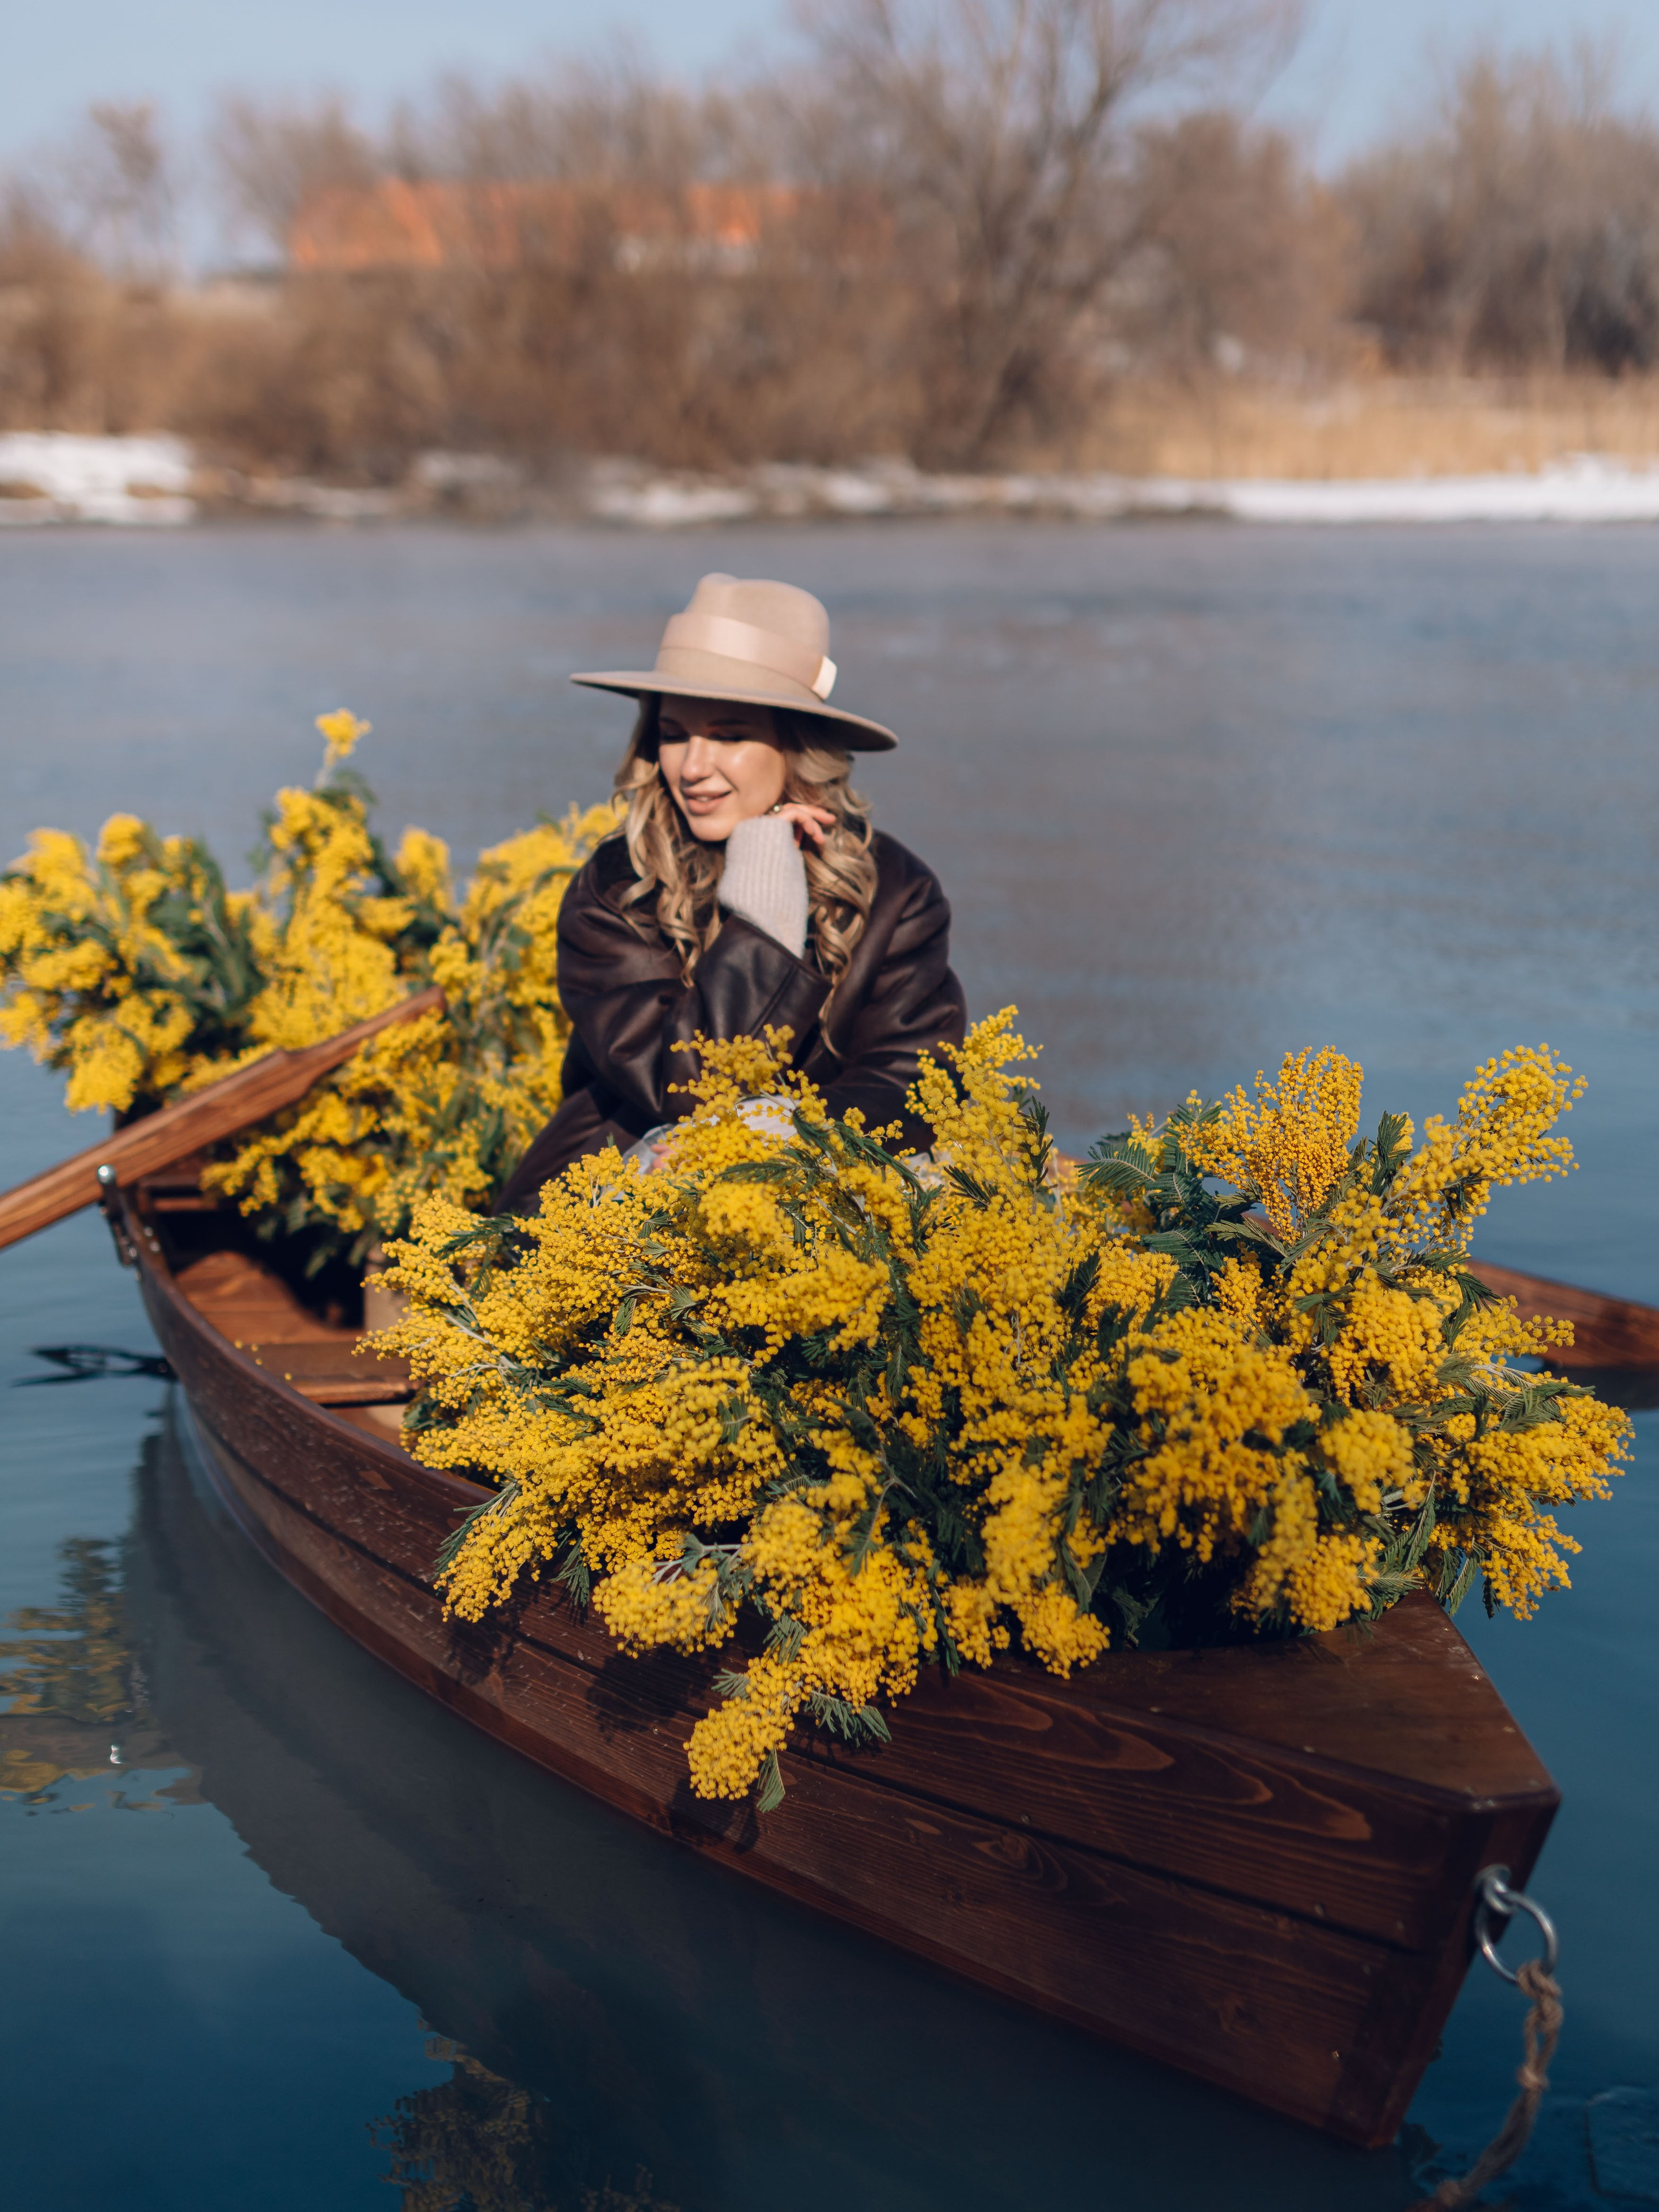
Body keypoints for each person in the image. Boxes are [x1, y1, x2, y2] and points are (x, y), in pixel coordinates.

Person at [497, 572, 967, 1210]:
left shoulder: (896, 890)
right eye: (673, 734)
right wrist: (767, 915)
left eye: (727, 735)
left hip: (815, 1193)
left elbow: (913, 1083)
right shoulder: (617, 886)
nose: (693, 767)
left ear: (796, 742)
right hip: (606, 1208)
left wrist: (776, 1134)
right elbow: (687, 1084)